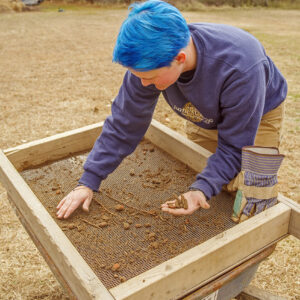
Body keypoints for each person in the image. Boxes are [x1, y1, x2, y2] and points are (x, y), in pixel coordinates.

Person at [56, 0, 287, 220]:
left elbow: (235, 146)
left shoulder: (241, 67)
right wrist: (88, 182)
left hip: (257, 115)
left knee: (254, 192)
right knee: (212, 185)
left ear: (179, 58)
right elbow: (125, 123)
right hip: (204, 113)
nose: (143, 84)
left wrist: (201, 189)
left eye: (150, 78)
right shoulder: (149, 63)